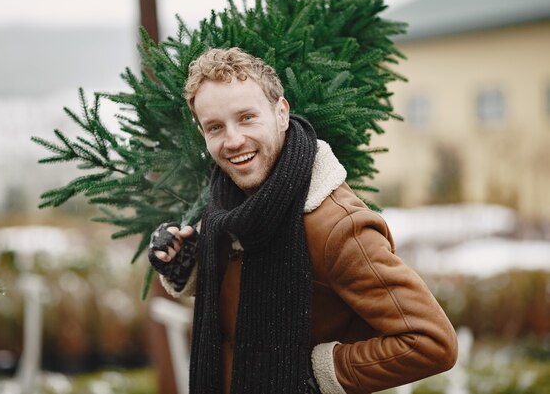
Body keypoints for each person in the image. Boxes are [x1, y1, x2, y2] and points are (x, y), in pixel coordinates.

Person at [148, 47, 457, 394]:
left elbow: (430, 342)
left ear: (281, 113)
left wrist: (320, 372)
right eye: (215, 127)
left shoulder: (339, 227)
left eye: (247, 117)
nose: (233, 141)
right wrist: (187, 265)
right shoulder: (228, 203)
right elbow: (241, 301)